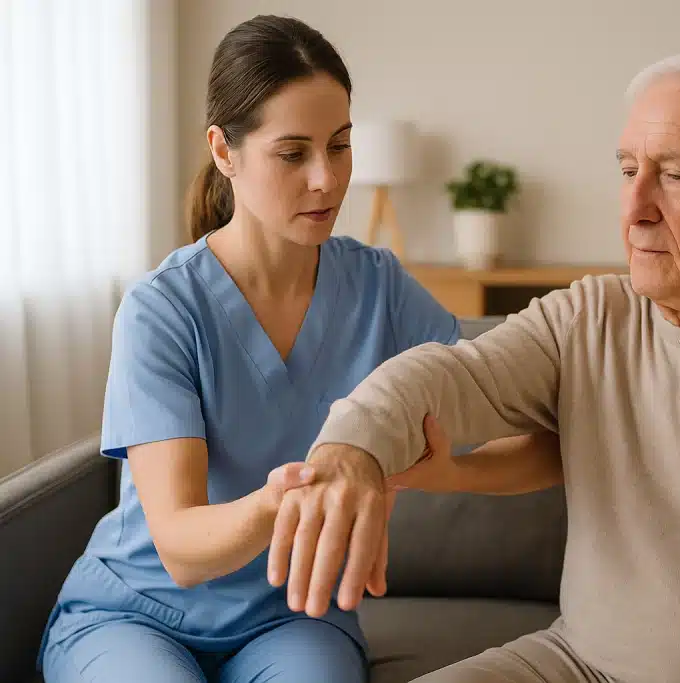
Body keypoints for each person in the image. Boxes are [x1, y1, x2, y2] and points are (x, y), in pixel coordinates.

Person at [271, 53, 680, 683]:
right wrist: (353, 447)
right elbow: (452, 377)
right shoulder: (590, 317)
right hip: (576, 662)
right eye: (629, 170)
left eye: (674, 176)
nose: (634, 208)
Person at [37, 14, 562, 683]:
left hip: (294, 615)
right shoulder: (163, 308)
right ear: (224, 152)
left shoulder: (379, 288)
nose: (327, 179)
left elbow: (538, 433)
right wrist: (290, 498)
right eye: (293, 154)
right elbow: (181, 549)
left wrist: (452, 474)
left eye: (340, 146)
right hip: (137, 613)